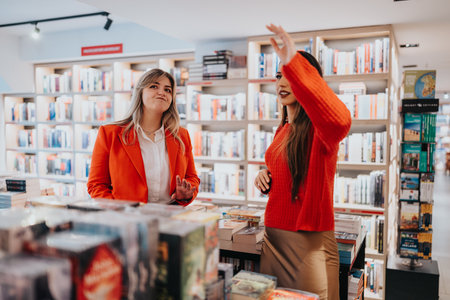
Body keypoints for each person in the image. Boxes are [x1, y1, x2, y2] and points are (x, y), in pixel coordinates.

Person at [254, 24, 352, 299]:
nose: (281, 83)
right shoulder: (282, 130)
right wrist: (264, 177)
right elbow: (284, 172)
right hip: (273, 237)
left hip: (307, 242)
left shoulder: (322, 132)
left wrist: (293, 60)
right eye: (278, 76)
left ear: (308, 84)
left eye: (290, 77)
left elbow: (341, 119)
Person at [87, 68, 199, 205]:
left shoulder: (181, 135)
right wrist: (118, 211)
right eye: (154, 86)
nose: (161, 93)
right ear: (140, 93)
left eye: (167, 90)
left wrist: (186, 194)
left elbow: (192, 177)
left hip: (170, 218)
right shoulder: (110, 134)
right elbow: (96, 185)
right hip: (126, 219)